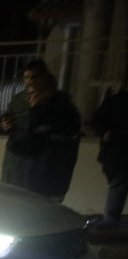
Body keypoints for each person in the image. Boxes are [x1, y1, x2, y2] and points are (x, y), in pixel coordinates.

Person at [27, 71, 81, 201]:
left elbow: (27, 140)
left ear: (43, 92)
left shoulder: (46, 112)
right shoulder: (68, 109)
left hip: (44, 175)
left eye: (32, 93)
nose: (29, 98)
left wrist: (34, 110)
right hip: (58, 177)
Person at [0, 59, 50, 189]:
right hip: (15, 154)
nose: (30, 81)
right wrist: (5, 123)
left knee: (32, 192)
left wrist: (36, 108)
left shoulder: (53, 100)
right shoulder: (18, 98)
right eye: (26, 78)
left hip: (37, 156)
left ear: (43, 77)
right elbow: (7, 115)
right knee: (10, 189)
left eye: (34, 77)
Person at [89, 87, 128, 227]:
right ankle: (110, 220)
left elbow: (96, 121)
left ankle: (110, 220)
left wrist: (106, 134)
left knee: (118, 184)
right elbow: (96, 122)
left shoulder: (117, 101)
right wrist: (106, 133)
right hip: (118, 152)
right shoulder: (117, 101)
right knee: (118, 183)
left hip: (117, 153)